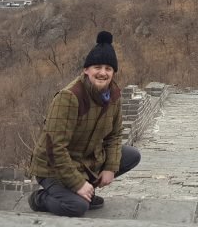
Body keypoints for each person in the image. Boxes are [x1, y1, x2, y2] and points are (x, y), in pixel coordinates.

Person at [28, 31, 141, 217]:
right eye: (97, 67)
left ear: (113, 73)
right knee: (77, 207)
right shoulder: (70, 97)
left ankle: (83, 192)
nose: (103, 73)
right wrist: (77, 184)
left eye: (108, 69)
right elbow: (55, 147)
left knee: (131, 156)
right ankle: (41, 198)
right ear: (86, 70)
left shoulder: (113, 95)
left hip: (85, 159)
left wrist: (110, 168)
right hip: (52, 166)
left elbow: (114, 135)